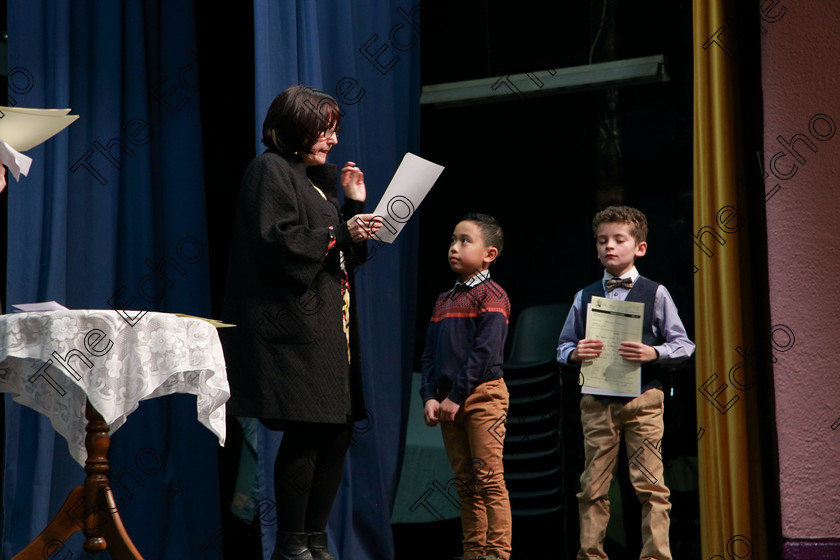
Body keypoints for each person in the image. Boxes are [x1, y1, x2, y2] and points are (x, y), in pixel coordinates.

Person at [221, 85, 381, 560]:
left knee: (338, 429)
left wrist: (352, 205)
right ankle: (292, 545)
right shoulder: (267, 169)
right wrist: (339, 229)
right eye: (324, 129)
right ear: (295, 126)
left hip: (332, 328)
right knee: (309, 428)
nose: (332, 140)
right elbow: (277, 243)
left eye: (334, 131)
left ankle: (316, 542)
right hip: (293, 330)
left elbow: (345, 253)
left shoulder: (314, 179)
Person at [556, 206, 695, 560]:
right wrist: (575, 353)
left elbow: (683, 345)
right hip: (597, 400)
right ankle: (590, 555)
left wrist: (654, 353)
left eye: (619, 240)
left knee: (651, 486)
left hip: (643, 399)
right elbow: (562, 347)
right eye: (602, 241)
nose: (610, 247)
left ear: (640, 248)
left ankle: (656, 556)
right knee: (592, 487)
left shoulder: (656, 293)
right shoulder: (584, 296)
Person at [420, 213, 513, 560]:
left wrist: (457, 397)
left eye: (464, 241)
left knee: (488, 478)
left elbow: (484, 353)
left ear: (489, 254)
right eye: (452, 240)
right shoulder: (444, 300)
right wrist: (430, 395)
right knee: (465, 482)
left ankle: (497, 554)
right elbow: (429, 352)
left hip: (483, 395)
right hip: (448, 401)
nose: (454, 248)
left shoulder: (493, 295)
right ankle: (474, 552)